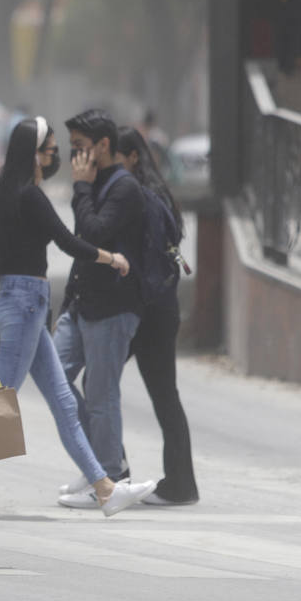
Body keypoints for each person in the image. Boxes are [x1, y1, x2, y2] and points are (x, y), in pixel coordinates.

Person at [0, 117, 152, 516]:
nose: (57, 158)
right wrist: (112, 258)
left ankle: (105, 488)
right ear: (35, 154)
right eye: (52, 151)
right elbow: (69, 241)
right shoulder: (30, 195)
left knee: (64, 403)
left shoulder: (5, 191)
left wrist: (0, 274)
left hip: (20, 303)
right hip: (24, 306)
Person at [51, 108, 154, 509]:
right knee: (57, 381)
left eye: (81, 147)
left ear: (104, 146)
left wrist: (80, 188)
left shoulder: (122, 187)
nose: (75, 157)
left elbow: (93, 235)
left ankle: (108, 478)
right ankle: (100, 465)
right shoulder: (96, 181)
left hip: (113, 306)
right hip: (82, 304)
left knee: (101, 395)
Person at [116, 127, 199, 506]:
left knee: (101, 389)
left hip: (148, 311)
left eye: (113, 157)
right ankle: (178, 483)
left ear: (132, 157)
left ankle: (115, 475)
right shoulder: (156, 192)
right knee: (164, 396)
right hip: (160, 308)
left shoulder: (142, 197)